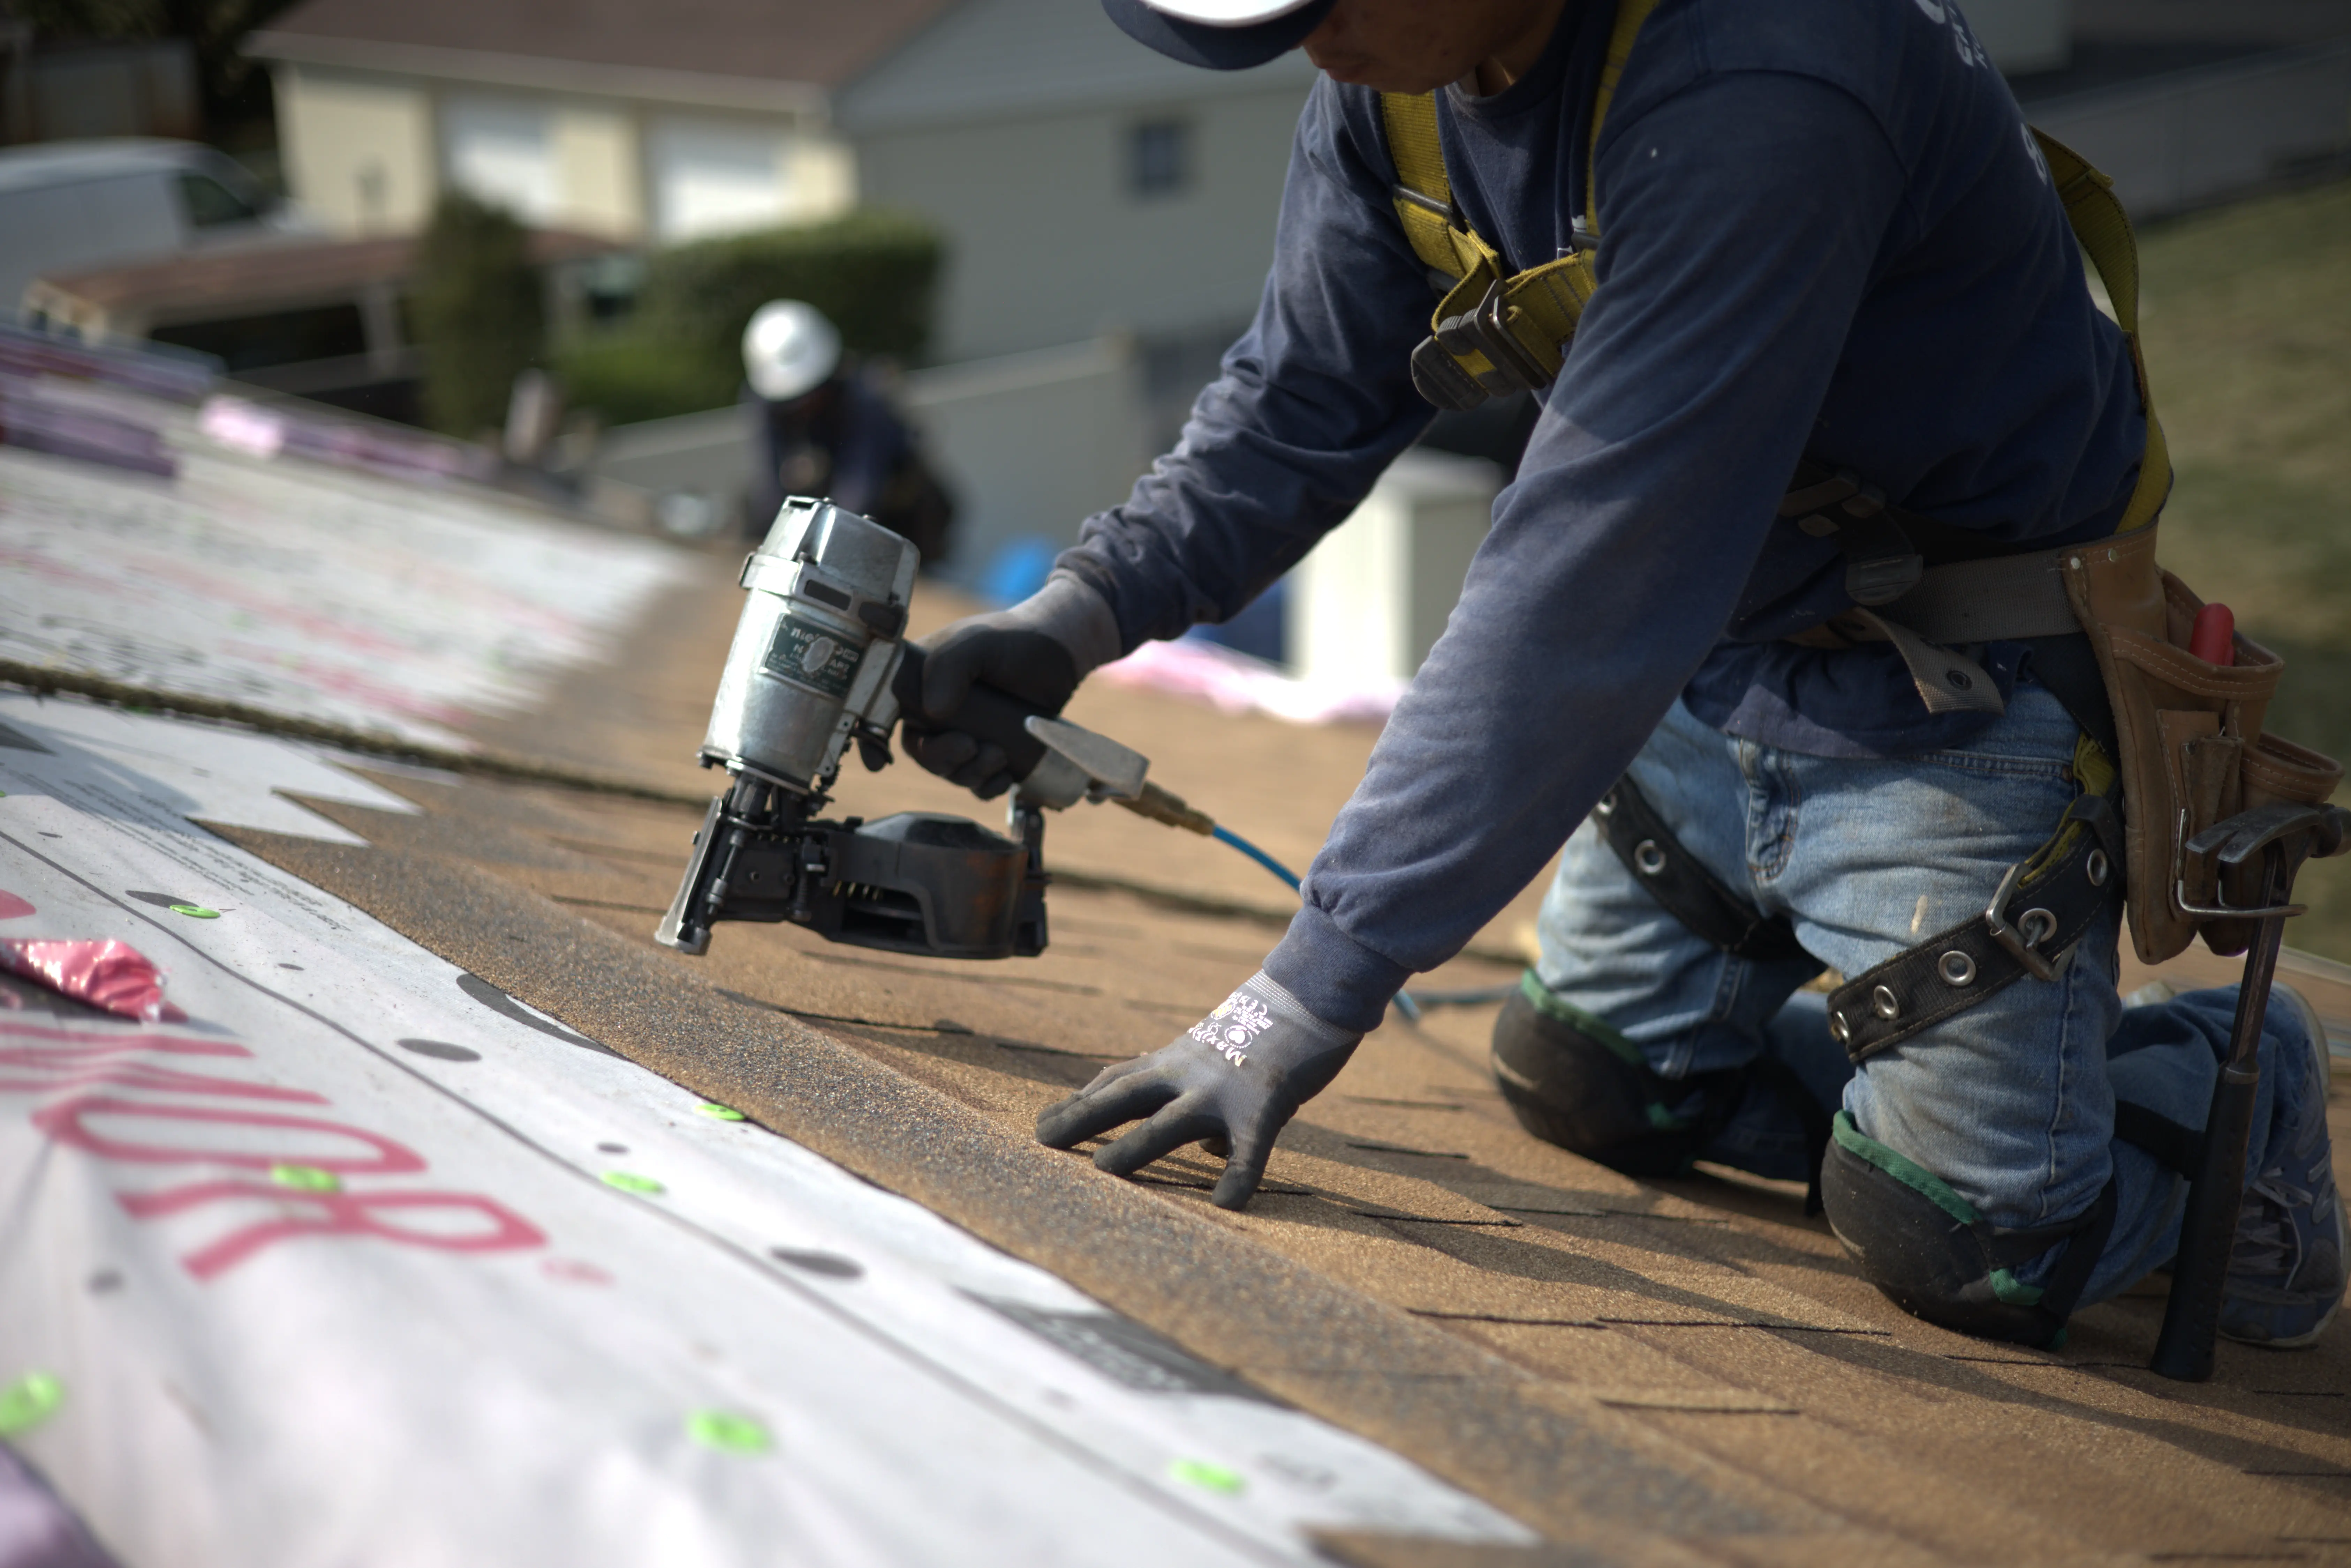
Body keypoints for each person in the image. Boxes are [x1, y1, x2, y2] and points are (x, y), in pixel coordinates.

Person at [901, 0, 2344, 1350]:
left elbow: (1585, 579)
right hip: (1713, 667)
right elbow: (1297, 399)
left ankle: (2237, 1070)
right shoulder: (1405, 78)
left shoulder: (1761, 81)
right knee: (1595, 1074)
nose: (1316, 49)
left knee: (1974, 1241)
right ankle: (1910, 1067)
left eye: (1330, 2)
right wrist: (1073, 619)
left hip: (1950, 697)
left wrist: (1300, 992)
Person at [741, 300, 953, 561]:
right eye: (793, 400)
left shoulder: (866, 397)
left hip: (902, 528)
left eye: (811, 393)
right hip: (832, 515)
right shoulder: (768, 405)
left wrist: (813, 556)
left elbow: (860, 492)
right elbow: (770, 491)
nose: (803, 406)